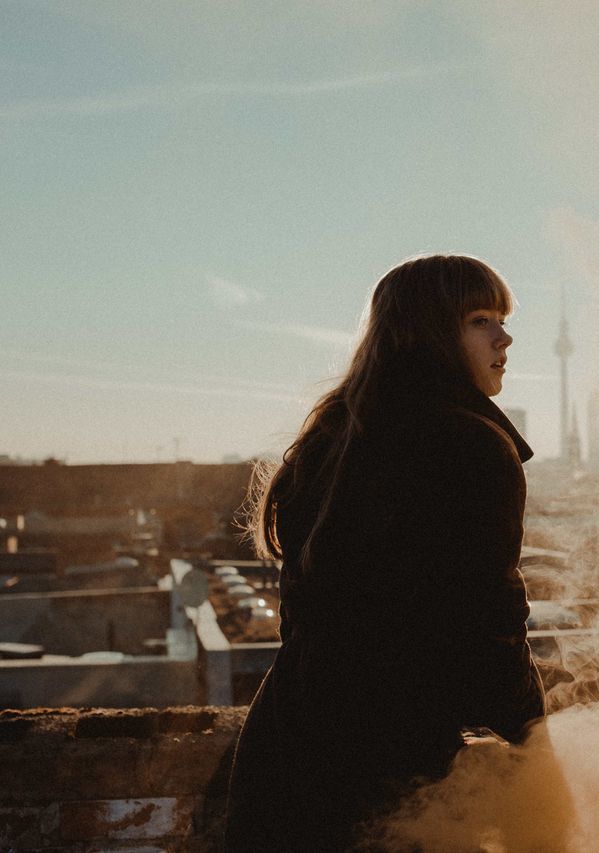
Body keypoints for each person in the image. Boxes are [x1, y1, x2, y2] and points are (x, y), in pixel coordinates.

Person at [225, 254, 546, 851]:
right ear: (431, 332)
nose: (505, 336)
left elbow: (300, 614)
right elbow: (491, 622)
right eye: (481, 319)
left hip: (288, 743)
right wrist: (534, 742)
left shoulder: (331, 438)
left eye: (500, 319)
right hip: (391, 761)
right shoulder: (471, 443)